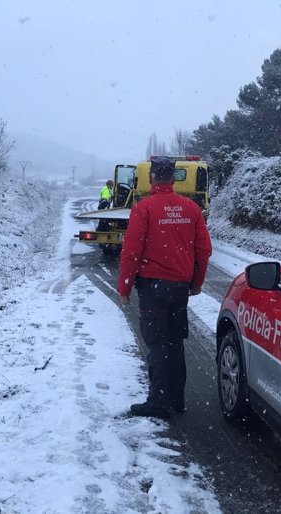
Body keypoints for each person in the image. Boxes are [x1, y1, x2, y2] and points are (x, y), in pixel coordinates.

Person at [116, 156, 212, 420]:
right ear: (172, 178)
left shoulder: (144, 208)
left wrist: (124, 286)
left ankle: (158, 402)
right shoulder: (191, 209)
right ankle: (177, 399)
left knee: (157, 344)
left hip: (153, 289)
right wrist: (197, 282)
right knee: (175, 342)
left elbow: (131, 252)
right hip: (179, 288)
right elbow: (204, 250)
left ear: (151, 178)